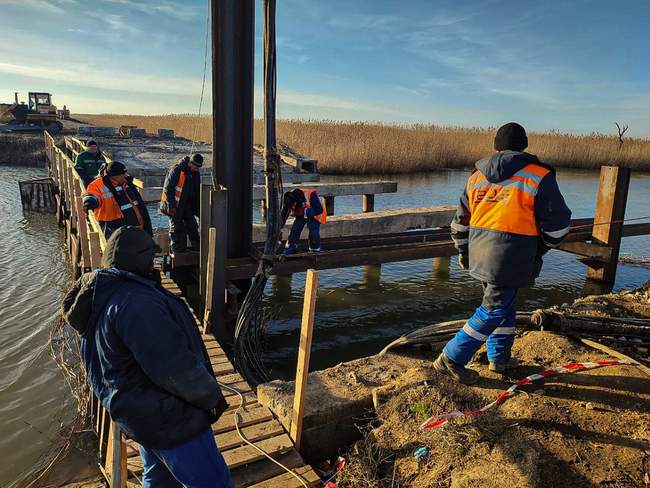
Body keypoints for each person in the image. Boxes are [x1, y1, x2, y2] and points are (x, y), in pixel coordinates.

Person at [62, 226, 233, 488]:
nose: (154, 262)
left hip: (138, 414)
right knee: (212, 482)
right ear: (137, 259)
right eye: (149, 256)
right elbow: (175, 369)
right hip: (169, 420)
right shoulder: (137, 304)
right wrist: (211, 398)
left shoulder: (101, 294)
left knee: (158, 478)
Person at [434, 122, 572, 384]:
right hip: (512, 257)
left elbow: (460, 223)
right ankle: (450, 358)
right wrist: (539, 248)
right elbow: (558, 227)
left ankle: (498, 359)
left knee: (504, 305)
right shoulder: (539, 176)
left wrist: (463, 251)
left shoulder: (476, 177)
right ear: (524, 146)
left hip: (479, 253)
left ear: (496, 146)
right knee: (495, 308)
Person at [83, 161, 153, 239]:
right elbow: (93, 195)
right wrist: (90, 201)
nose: (125, 176)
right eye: (123, 174)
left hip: (134, 226)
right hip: (112, 227)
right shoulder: (98, 185)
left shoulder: (126, 183)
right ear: (114, 176)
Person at [160, 154, 202, 252]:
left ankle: (197, 249)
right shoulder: (177, 170)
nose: (196, 169)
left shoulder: (195, 173)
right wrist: (171, 206)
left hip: (186, 205)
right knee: (177, 228)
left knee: (192, 226)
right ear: (190, 163)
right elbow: (168, 189)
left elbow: (196, 192)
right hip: (175, 204)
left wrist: (197, 209)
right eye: (195, 167)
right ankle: (177, 251)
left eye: (198, 167)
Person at [281, 188, 326, 255]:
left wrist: (306, 212)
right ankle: (291, 247)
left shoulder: (311, 194)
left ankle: (315, 250)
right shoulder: (289, 198)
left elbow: (319, 209)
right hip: (301, 214)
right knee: (295, 230)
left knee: (313, 233)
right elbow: (284, 214)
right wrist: (279, 226)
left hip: (315, 214)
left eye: (293, 206)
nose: (292, 208)